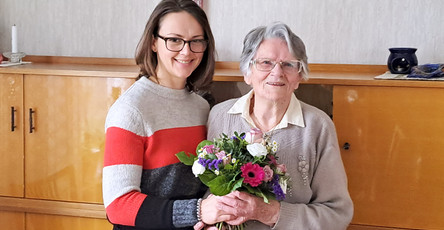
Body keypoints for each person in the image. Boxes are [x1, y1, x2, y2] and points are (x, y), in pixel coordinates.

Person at [202, 22, 354, 229]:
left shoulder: (317, 126)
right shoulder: (219, 116)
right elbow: (206, 192)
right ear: (247, 73)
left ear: (299, 77)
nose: (277, 72)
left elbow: (337, 214)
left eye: (289, 64)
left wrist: (269, 213)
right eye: (265, 62)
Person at [102, 0, 224, 229]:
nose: (186, 51)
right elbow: (118, 205)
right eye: (174, 40)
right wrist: (199, 212)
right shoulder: (130, 110)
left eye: (196, 41)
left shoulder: (202, 107)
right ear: (154, 43)